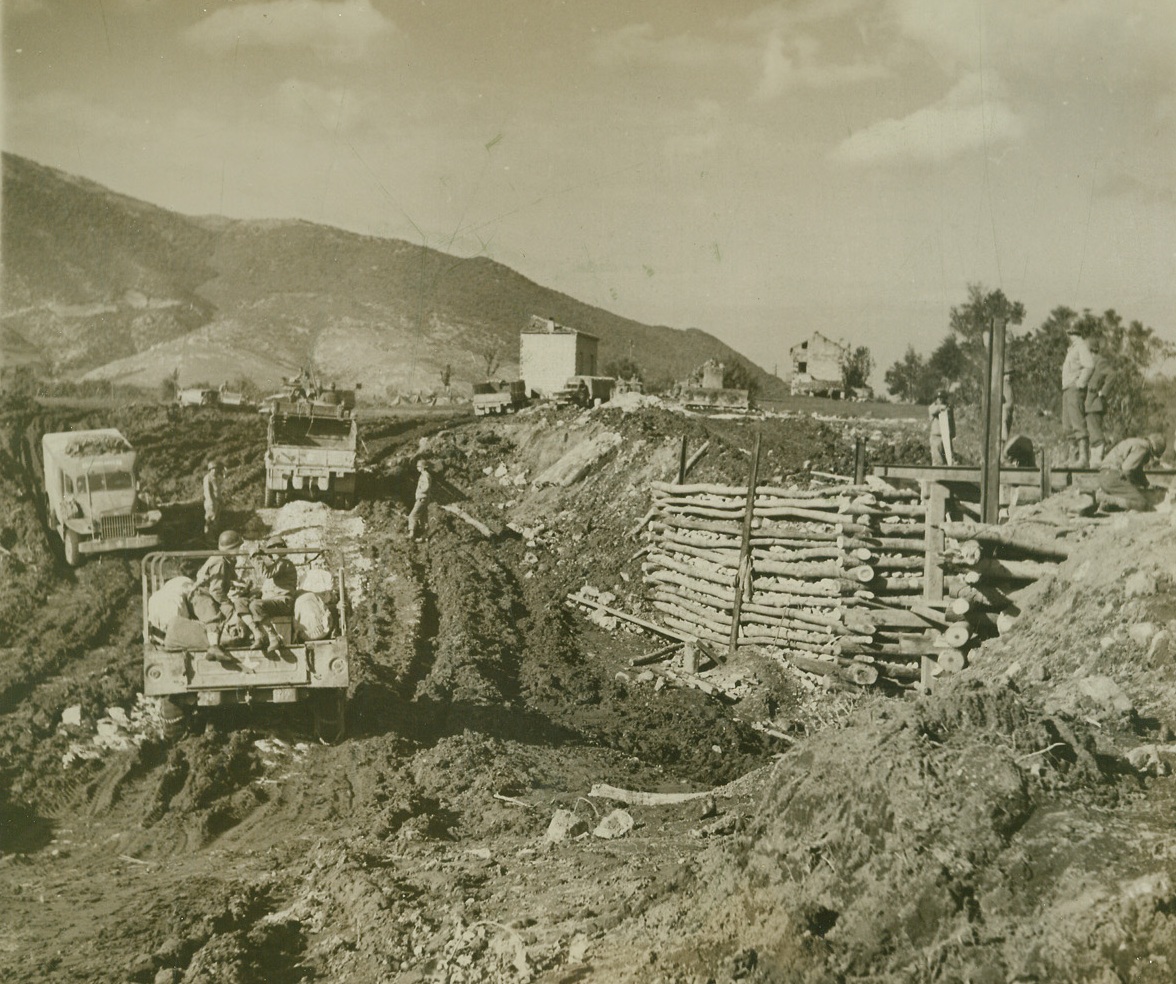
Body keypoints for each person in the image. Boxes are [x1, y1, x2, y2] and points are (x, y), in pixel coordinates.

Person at [190, 529, 245, 660]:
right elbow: (216, 590)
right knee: (213, 616)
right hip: (201, 595)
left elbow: (225, 580)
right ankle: (214, 648)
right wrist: (228, 604)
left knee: (226, 612)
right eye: (238, 547)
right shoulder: (220, 561)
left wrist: (239, 585)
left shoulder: (226, 560)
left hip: (209, 594)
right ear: (231, 549)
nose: (240, 550)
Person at [241, 536, 297, 653]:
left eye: (277, 548)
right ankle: (258, 635)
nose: (275, 550)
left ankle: (273, 637)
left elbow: (266, 574)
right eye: (272, 548)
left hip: (284, 602)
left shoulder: (284, 564)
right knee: (241, 603)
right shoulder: (277, 565)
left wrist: (256, 557)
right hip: (274, 601)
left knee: (256, 605)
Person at [1096, 433, 1166, 512]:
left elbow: (1137, 471)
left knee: (1130, 500)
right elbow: (1127, 470)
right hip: (1113, 477)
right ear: (1154, 448)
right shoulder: (1143, 447)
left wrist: (1146, 484)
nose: (1150, 458)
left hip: (1105, 475)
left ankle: (1107, 504)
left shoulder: (1137, 442)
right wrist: (1134, 486)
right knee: (1141, 503)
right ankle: (1104, 498)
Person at [1061, 324, 1094, 467]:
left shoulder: (1081, 346)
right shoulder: (1073, 349)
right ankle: (1073, 458)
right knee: (1067, 424)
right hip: (1067, 388)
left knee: (1078, 422)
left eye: (1070, 333)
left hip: (1074, 388)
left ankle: (1083, 458)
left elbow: (1090, 365)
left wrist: (1080, 383)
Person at [1084, 337, 1111, 467]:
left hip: (1094, 403)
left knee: (1095, 433)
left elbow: (1112, 375)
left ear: (1091, 350)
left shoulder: (1100, 361)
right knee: (1089, 432)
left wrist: (1103, 392)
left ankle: (1097, 461)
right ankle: (1093, 461)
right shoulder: (1087, 362)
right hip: (1086, 403)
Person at [928, 390, 955, 465]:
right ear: (936, 399)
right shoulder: (932, 407)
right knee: (937, 459)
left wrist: (953, 433)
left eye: (942, 398)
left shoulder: (949, 408)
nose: (940, 399)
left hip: (946, 436)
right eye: (938, 398)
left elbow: (952, 421)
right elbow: (934, 410)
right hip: (936, 436)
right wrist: (942, 408)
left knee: (949, 458)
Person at [407, 458, 432, 541]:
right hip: (424, 498)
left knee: (412, 516)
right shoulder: (425, 475)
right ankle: (425, 536)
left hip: (422, 498)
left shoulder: (425, 475)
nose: (417, 468)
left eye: (418, 466)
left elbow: (426, 486)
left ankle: (411, 534)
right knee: (423, 518)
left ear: (422, 467)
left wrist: (420, 491)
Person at [202, 460, 223, 537]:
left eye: (216, 469)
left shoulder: (216, 479)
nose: (214, 471)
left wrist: (221, 500)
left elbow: (218, 491)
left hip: (217, 502)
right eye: (213, 469)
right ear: (210, 470)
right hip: (210, 502)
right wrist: (210, 501)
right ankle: (208, 537)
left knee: (216, 521)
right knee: (210, 520)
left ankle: (213, 537)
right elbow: (207, 491)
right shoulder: (207, 478)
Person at [1001, 368, 1015, 444]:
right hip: (1004, 411)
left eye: (1010, 374)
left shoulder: (1009, 385)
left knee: (1007, 429)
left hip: (1009, 411)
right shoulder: (1001, 384)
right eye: (1006, 374)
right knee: (1004, 434)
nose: (1009, 376)